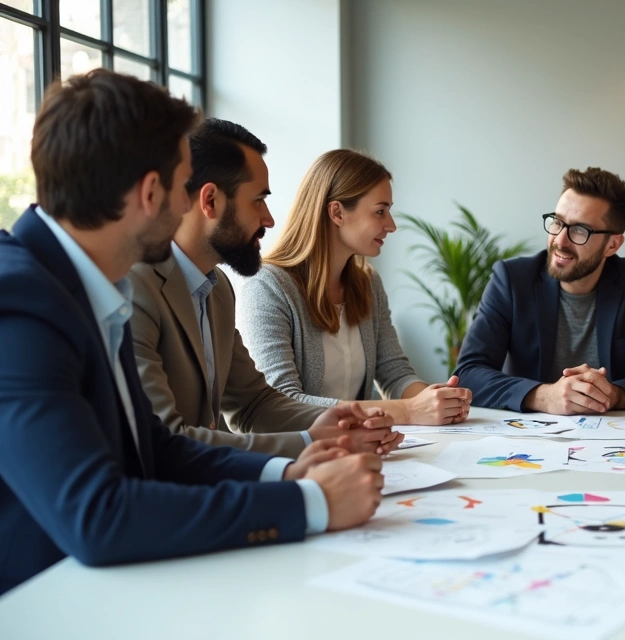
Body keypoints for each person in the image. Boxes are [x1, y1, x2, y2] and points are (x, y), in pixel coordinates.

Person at [0, 70, 385, 595]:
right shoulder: (19, 304)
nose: (188, 208)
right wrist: (310, 504)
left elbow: (154, 447)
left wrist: (287, 476)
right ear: (150, 192)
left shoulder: (77, 283)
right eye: (184, 188)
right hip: (44, 601)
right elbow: (97, 516)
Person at [130, 118, 402, 457]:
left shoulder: (217, 290)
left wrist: (343, 422)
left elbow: (254, 403)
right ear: (210, 201)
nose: (269, 219)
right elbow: (166, 440)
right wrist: (311, 442)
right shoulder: (135, 288)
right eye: (258, 200)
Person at [239, 149, 471, 425]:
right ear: (337, 212)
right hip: (298, 458)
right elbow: (282, 403)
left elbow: (394, 373)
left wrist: (437, 401)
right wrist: (408, 411)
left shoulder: (367, 283)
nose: (392, 225)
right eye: (380, 211)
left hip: (355, 447)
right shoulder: (267, 286)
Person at [454, 167, 625, 414]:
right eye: (557, 222)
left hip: (610, 435)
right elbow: (468, 374)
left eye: (579, 230)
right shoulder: (512, 280)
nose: (560, 240)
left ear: (612, 244)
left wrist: (612, 395)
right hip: (525, 437)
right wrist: (544, 397)